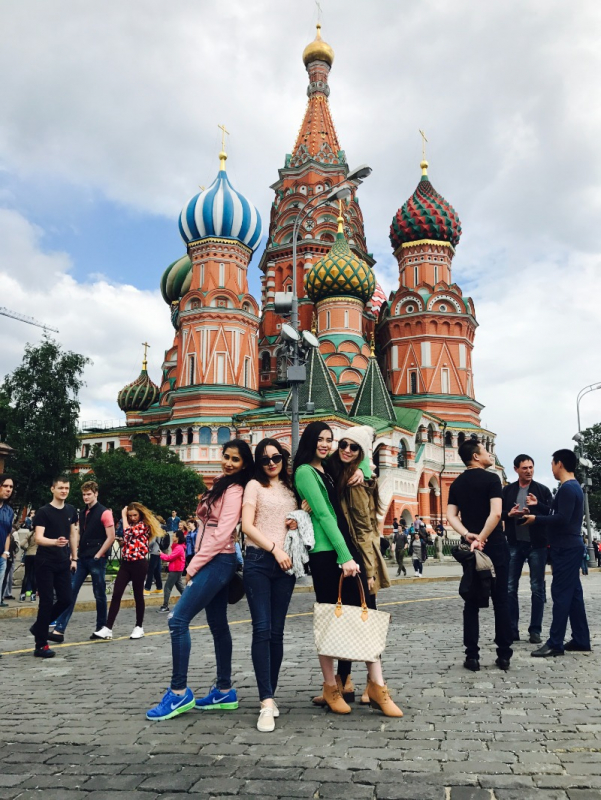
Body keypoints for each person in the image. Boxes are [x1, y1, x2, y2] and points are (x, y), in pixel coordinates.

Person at [293, 421, 403, 717]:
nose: (328, 444)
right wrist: (345, 555)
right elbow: (325, 514)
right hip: (329, 552)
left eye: (330, 439)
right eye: (323, 439)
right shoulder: (306, 471)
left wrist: (363, 470)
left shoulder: (329, 469)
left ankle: (372, 685)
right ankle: (334, 686)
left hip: (346, 550)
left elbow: (358, 459)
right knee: (332, 617)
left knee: (362, 614)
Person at [146, 439, 253, 722]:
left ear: (244, 464)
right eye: (226, 456)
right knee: (218, 624)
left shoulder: (235, 489)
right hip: (213, 558)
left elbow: (222, 533)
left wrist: (193, 565)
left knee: (177, 620)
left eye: (236, 459)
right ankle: (224, 690)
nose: (229, 463)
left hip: (217, 560)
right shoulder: (220, 484)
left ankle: (179, 692)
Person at [241, 437, 298, 732]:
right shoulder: (254, 486)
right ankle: (265, 702)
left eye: (276, 457)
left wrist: (298, 518)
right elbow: (247, 526)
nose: (272, 463)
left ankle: (271, 694)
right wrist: (275, 549)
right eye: (265, 459)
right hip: (260, 561)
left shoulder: (290, 488)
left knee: (277, 632)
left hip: (286, 566)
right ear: (258, 463)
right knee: (262, 629)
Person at [446, 440, 513, 672]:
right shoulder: (492, 479)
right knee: (501, 600)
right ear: (475, 456)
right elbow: (496, 514)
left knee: (471, 602)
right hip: (495, 546)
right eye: (485, 451)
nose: (489, 454)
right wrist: (482, 538)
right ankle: (504, 655)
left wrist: (469, 536)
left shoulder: (457, 483)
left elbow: (451, 516)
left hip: (472, 552)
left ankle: (472, 656)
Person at [520, 449, 591, 656]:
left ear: (559, 463)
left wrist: (535, 519)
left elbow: (562, 519)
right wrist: (539, 506)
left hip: (566, 548)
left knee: (560, 595)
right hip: (568, 546)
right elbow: (556, 512)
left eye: (552, 464)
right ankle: (581, 639)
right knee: (574, 595)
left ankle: (555, 643)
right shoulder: (570, 487)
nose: (551, 468)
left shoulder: (568, 488)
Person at [52, 480, 115, 642]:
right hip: (83, 557)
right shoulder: (83, 512)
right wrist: (75, 553)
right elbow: (79, 533)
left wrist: (99, 554)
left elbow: (111, 537)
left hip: (96, 558)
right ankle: (59, 629)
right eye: (84, 495)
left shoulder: (104, 512)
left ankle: (101, 628)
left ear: (96, 494)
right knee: (70, 592)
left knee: (99, 594)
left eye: (88, 494)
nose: (86, 497)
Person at [502, 454, 552, 645]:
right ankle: (512, 629)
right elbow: (498, 513)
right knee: (509, 588)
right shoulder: (508, 491)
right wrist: (510, 514)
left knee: (537, 588)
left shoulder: (542, 490)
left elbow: (552, 513)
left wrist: (536, 506)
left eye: (531, 467)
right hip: (514, 544)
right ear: (516, 469)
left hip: (536, 545)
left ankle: (535, 630)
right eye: (524, 468)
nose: (529, 471)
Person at [92, 503, 161, 640]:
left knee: (138, 595)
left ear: (140, 514)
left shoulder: (143, 525)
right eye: (130, 516)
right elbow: (127, 536)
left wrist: (123, 515)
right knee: (116, 594)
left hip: (139, 563)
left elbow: (129, 532)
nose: (133, 518)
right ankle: (108, 628)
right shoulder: (130, 525)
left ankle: (139, 626)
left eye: (135, 515)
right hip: (126, 563)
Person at [30, 475, 78, 658]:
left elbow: (73, 534)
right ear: (53, 489)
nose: (64, 491)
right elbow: (38, 538)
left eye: (67, 488)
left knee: (66, 599)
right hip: (45, 562)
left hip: (63, 561)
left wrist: (74, 558)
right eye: (60, 488)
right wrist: (55, 542)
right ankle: (41, 645)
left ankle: (39, 627)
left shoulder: (71, 510)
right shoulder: (44, 512)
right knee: (47, 601)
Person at [157, 529, 186, 613]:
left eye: (174, 536)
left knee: (167, 587)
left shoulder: (178, 548)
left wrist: (161, 554)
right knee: (180, 587)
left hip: (176, 569)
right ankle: (190, 601)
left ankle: (165, 606)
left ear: (178, 538)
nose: (172, 537)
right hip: (177, 569)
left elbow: (170, 558)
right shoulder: (177, 546)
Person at [0, 475, 15, 610]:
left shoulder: (9, 511)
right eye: (5, 486)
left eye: (11, 487)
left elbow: (8, 534)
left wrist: (5, 553)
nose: (9, 489)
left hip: (1, 556)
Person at [144, 521, 163, 594]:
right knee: (156, 571)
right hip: (158, 551)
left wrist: (146, 546)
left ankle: (147, 588)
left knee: (150, 570)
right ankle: (159, 587)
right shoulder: (159, 529)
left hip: (154, 551)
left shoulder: (155, 530)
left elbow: (152, 541)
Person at [20, 525, 38, 601]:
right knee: (34, 576)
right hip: (36, 555)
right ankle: (33, 595)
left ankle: (22, 595)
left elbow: (21, 544)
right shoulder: (40, 534)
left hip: (28, 555)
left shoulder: (29, 534)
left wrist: (26, 549)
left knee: (26, 575)